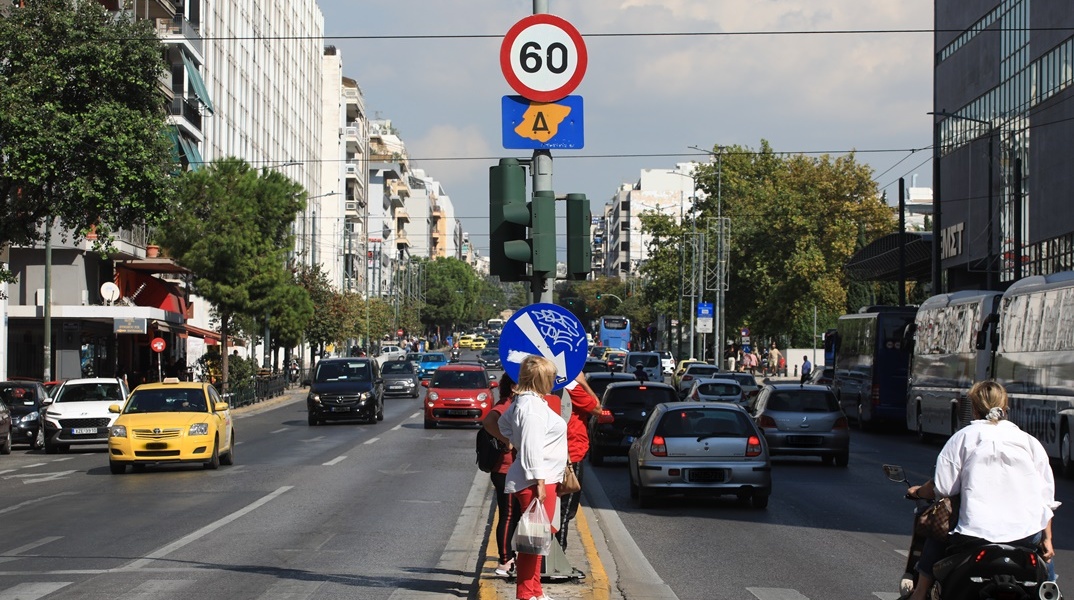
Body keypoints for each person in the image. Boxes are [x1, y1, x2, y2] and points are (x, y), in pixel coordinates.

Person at [905, 381, 1058, 600]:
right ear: (1006, 408)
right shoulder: (1030, 442)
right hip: (1025, 536)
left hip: (974, 534)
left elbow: (942, 488)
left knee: (936, 530)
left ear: (974, 408)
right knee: (1046, 564)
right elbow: (1046, 500)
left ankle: (919, 593)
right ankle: (1052, 592)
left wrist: (919, 492)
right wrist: (1047, 539)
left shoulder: (963, 438)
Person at [497, 356, 568, 600]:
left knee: (536, 540)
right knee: (532, 543)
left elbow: (503, 425)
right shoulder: (533, 409)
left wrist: (513, 439)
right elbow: (531, 448)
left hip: (539, 479)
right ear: (541, 379)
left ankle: (534, 591)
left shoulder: (525, 403)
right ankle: (526, 594)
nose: (554, 381)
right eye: (551, 377)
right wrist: (539, 482)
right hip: (538, 481)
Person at [556, 372, 602, 551]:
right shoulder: (572, 387)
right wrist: (583, 382)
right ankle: (558, 554)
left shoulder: (540, 384)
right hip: (571, 454)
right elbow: (597, 408)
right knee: (566, 509)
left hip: (550, 452)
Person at [482, 373, 521, 576]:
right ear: (514, 387)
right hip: (505, 469)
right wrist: (506, 441)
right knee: (507, 515)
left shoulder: (513, 403)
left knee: (513, 514)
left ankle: (510, 557)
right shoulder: (507, 405)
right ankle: (505, 561)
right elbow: (488, 420)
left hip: (509, 470)